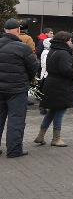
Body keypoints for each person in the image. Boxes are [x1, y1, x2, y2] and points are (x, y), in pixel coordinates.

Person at [0, 19, 39, 158]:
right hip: (17, 89)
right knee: (16, 119)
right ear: (18, 30)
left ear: (5, 30)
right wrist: (26, 80)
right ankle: (14, 149)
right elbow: (33, 67)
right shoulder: (23, 47)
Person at [36, 31, 73, 147]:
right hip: (61, 86)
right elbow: (66, 70)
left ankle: (40, 135)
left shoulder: (52, 50)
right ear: (65, 41)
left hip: (51, 83)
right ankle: (56, 138)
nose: (71, 42)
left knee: (52, 111)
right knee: (60, 111)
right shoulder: (64, 53)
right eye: (70, 40)